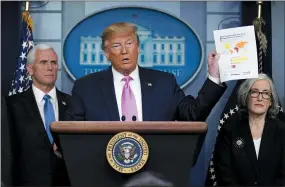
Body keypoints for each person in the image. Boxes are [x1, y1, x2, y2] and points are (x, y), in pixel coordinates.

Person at [68, 22, 226, 122]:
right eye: (116, 46)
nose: (124, 51)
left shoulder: (164, 82)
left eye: (129, 44)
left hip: (155, 170)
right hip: (103, 170)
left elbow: (193, 115)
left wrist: (213, 76)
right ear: (107, 53)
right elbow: (73, 134)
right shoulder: (85, 87)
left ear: (138, 48)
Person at [6, 44, 71, 186]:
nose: (50, 68)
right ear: (29, 69)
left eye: (53, 62)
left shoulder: (72, 103)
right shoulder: (11, 105)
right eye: (43, 62)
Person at [213, 73, 285, 186]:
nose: (260, 98)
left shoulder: (281, 131)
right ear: (246, 97)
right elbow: (224, 172)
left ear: (271, 101)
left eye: (266, 93)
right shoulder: (230, 129)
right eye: (255, 92)